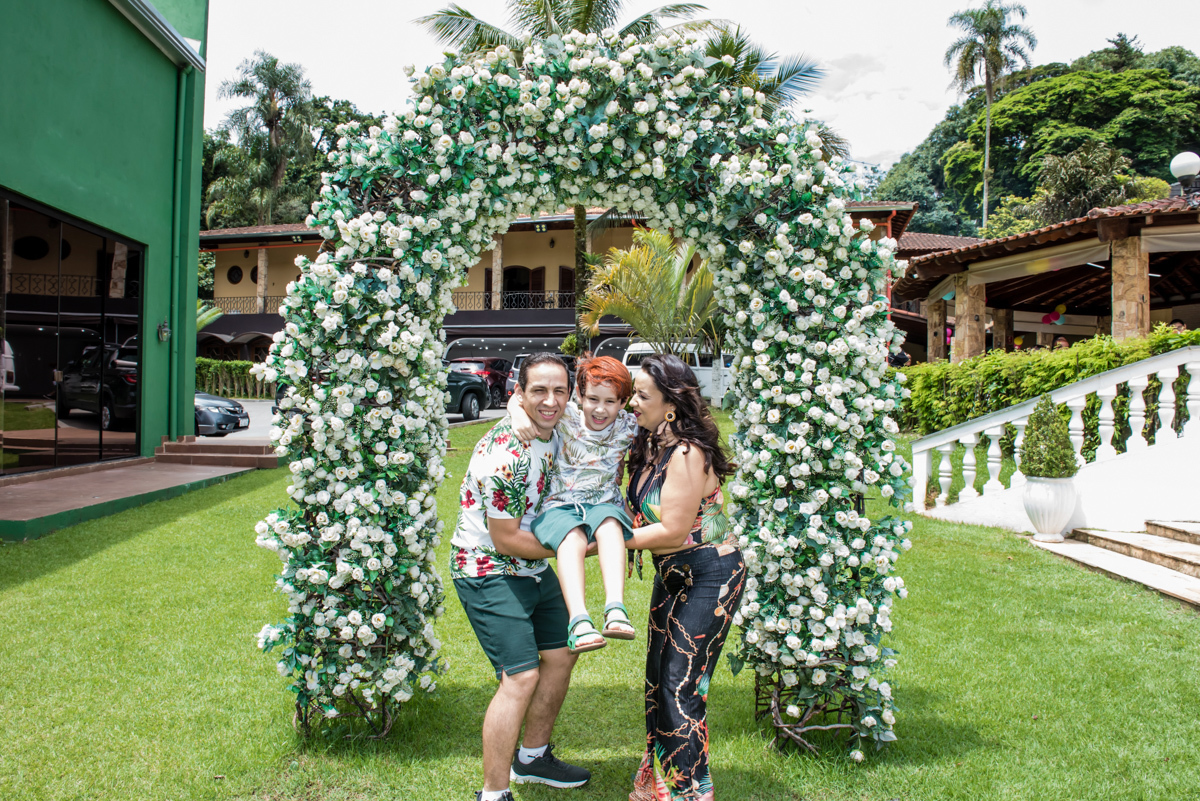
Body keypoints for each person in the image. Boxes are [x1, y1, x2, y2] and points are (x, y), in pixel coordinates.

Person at [450, 353, 590, 801]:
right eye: (538, 392)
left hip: (532, 567)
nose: (550, 401)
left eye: (559, 391)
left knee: (563, 652)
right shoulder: (506, 456)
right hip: (487, 567)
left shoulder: (559, 423)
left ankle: (532, 758)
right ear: (519, 393)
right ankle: (493, 793)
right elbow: (507, 539)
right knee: (521, 677)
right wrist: (579, 548)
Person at [623, 353, 746, 801]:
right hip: (672, 573)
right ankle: (658, 786)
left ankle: (689, 794)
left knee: (681, 686)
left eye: (642, 396)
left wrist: (605, 543)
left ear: (671, 405)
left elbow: (674, 531)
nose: (631, 403)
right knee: (658, 680)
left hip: (711, 574)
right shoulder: (648, 444)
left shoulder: (688, 453)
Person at [509, 355, 639, 653]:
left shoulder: (628, 425)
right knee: (571, 538)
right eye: (593, 399)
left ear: (623, 402)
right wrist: (517, 415)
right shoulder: (565, 415)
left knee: (610, 527)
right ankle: (579, 620)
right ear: (579, 395)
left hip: (603, 504)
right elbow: (518, 398)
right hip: (559, 506)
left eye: (610, 401)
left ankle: (615, 609)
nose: (600, 409)